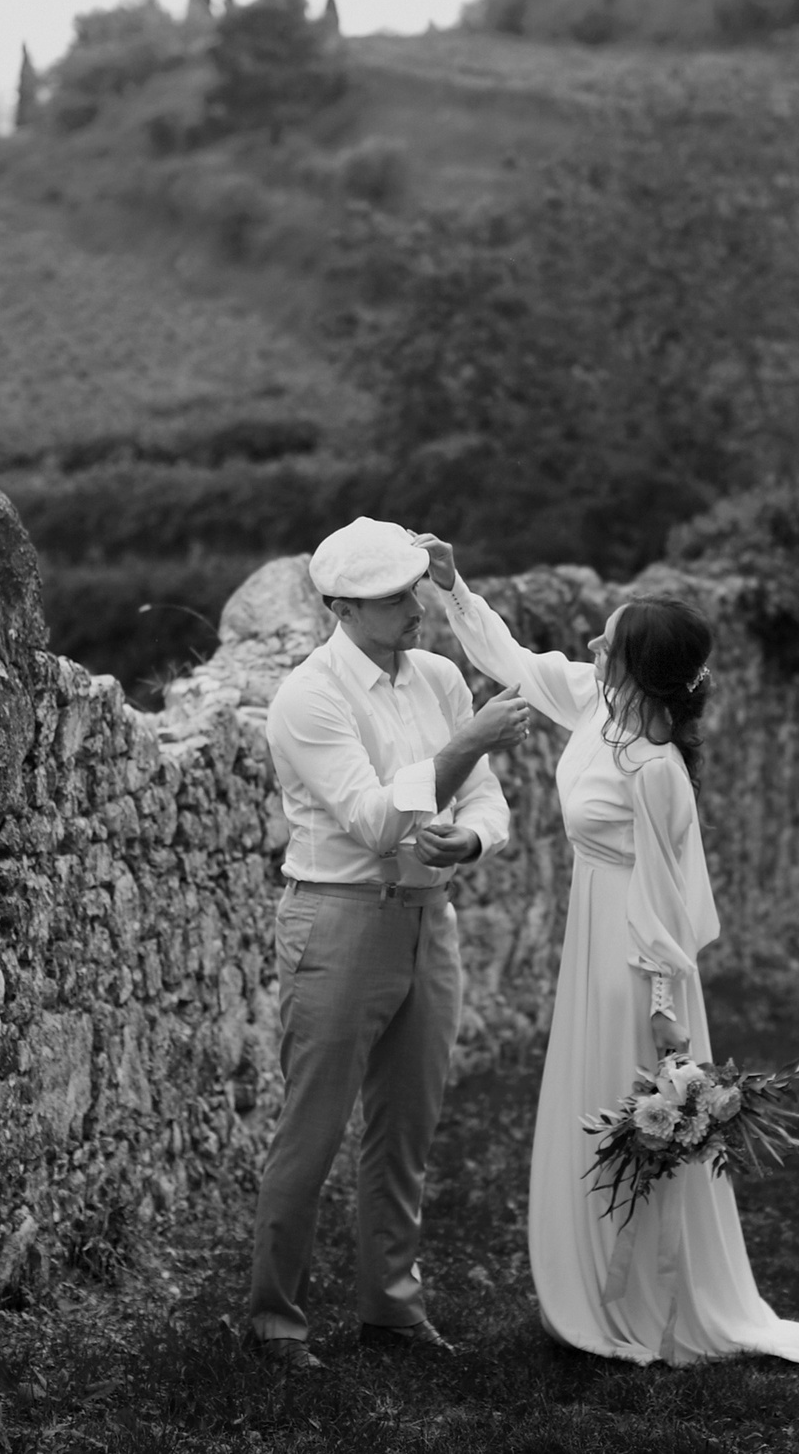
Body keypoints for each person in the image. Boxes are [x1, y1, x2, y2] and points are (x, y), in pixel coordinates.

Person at [422, 533, 799, 1370]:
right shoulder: (597, 705)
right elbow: (512, 656)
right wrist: (452, 587)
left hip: (634, 960)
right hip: (594, 928)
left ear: (633, 667)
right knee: (588, 1096)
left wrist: (661, 1012)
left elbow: (664, 896)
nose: (589, 647)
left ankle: (641, 1294)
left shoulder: (655, 768)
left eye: (604, 643)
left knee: (630, 1101)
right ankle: (593, 1284)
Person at [245, 517, 536, 1369]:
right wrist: (468, 741)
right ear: (340, 605)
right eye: (390, 597)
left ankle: (392, 1310)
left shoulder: (441, 675)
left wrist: (472, 841)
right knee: (314, 1126)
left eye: (414, 588)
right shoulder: (310, 696)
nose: (413, 607)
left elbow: (487, 801)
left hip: (428, 916)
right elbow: (375, 822)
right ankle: (273, 1320)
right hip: (337, 916)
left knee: (408, 1124)